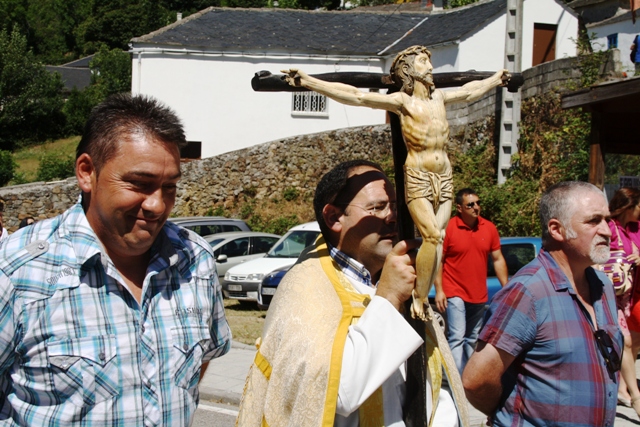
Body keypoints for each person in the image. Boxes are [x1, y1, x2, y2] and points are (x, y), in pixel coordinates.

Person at [0, 94, 231, 426]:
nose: (157, 205)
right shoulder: (16, 270)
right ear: (86, 173)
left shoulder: (196, 262)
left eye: (169, 187)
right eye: (139, 184)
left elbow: (202, 361)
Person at [282, 46, 511, 320]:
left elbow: (470, 91)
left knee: (438, 239)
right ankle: (419, 297)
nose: (430, 67)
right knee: (431, 236)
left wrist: (496, 79)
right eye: (424, 62)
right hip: (418, 174)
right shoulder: (403, 101)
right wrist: (309, 82)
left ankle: (420, 294)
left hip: (444, 175)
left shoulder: (439, 97)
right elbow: (356, 96)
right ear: (409, 70)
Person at [236, 160, 459, 426]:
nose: (393, 216)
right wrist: (388, 299)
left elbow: (432, 385)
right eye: (377, 207)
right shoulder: (306, 287)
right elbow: (337, 391)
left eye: (396, 206)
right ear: (334, 218)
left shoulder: (405, 282)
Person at [462, 181, 623, 427]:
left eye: (607, 220)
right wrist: (507, 416)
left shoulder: (603, 285)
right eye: (594, 221)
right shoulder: (527, 291)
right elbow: (476, 380)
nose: (608, 231)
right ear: (557, 230)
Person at [433, 188, 508, 374]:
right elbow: (438, 260)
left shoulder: (488, 228)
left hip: (478, 292)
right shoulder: (448, 228)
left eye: (478, 203)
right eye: (470, 205)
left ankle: (468, 378)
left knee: (472, 337)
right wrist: (439, 289)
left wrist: (507, 288)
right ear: (459, 208)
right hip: (454, 290)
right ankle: (455, 382)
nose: (476, 207)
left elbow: (498, 259)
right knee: (457, 336)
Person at [606, 187, 640, 413]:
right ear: (628, 206)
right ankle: (635, 397)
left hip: (625, 295)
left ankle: (621, 388)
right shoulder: (609, 228)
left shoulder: (630, 230)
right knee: (626, 342)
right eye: (638, 205)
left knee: (629, 342)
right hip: (609, 294)